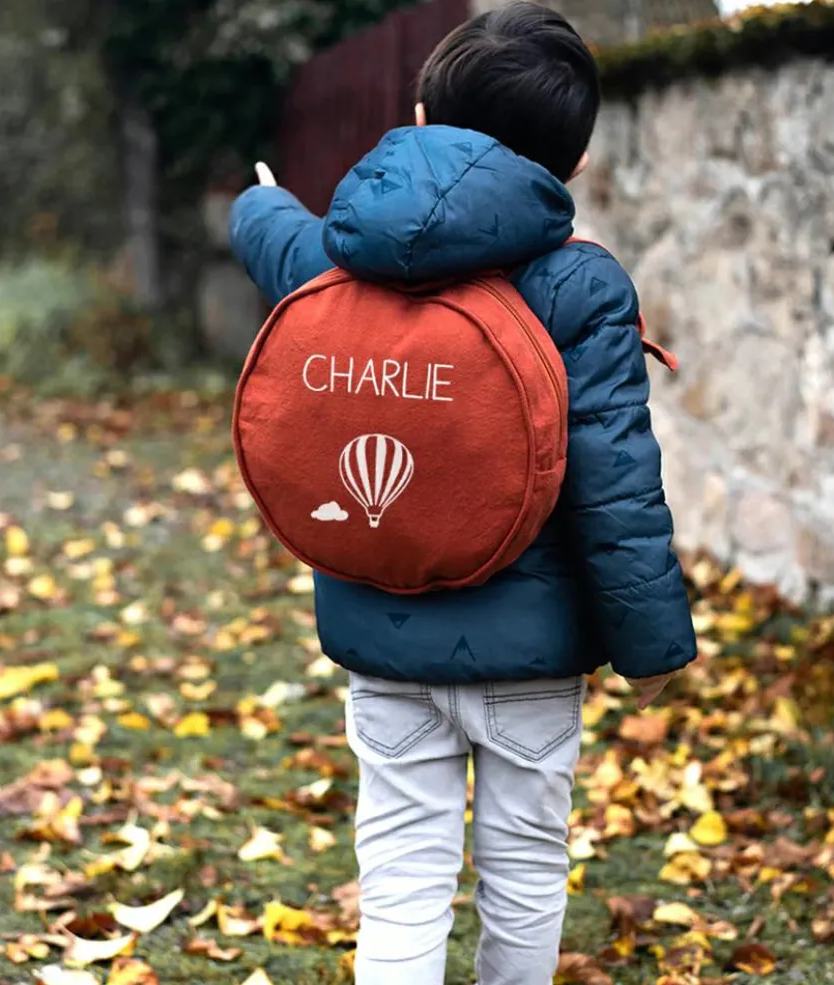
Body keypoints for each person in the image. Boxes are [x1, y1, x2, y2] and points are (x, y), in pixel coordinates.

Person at [229, 4, 696, 983]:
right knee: (524, 862)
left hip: (382, 630)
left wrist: (256, 202)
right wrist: (650, 647)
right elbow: (617, 482)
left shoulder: (339, 258)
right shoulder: (579, 288)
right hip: (533, 651)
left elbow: (279, 238)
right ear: (567, 168)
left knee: (399, 865)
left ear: (418, 109)